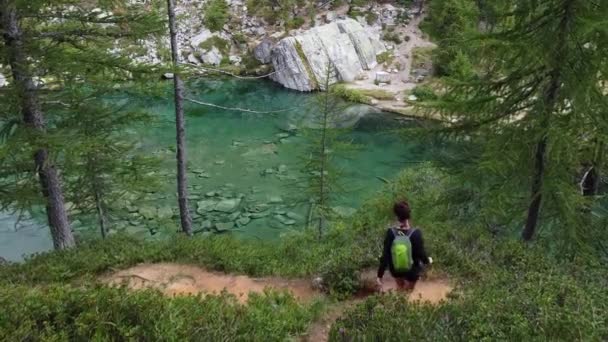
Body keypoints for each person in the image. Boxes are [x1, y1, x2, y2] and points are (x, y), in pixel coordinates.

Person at [377, 200, 432, 292]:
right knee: (408, 290)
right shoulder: (416, 233)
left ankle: (398, 298)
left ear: (396, 216)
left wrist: (380, 275)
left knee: (400, 286)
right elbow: (421, 254)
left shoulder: (391, 232)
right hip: (412, 270)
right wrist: (427, 261)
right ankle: (405, 300)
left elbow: (385, 255)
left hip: (396, 269)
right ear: (409, 215)